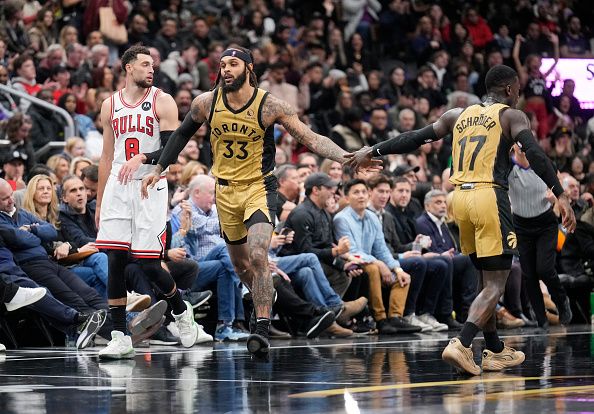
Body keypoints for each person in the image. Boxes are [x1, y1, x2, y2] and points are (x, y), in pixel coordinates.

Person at [141, 46, 380, 359]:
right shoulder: (206, 103)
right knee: (242, 266)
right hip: (224, 191)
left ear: (248, 68)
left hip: (259, 186)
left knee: (257, 254)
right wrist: (159, 169)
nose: (226, 69)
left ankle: (262, 328)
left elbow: (311, 139)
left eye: (234, 64)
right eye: (223, 64)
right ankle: (265, 301)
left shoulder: (269, 105)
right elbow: (180, 137)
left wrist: (346, 157)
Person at [346, 64, 576, 375]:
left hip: (460, 200)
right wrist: (560, 193)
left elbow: (416, 137)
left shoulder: (458, 115)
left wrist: (373, 150)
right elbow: (534, 152)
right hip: (489, 196)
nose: (519, 94)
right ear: (509, 90)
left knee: (484, 279)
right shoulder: (511, 116)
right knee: (497, 281)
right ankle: (462, 343)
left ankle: (494, 349)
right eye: (518, 89)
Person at [95, 46, 206, 360]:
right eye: (145, 64)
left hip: (150, 183)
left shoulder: (162, 100)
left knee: (147, 263)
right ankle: (119, 336)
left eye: (153, 65)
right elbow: (105, 157)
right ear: (128, 67)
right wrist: (101, 201)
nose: (151, 69)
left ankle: (182, 315)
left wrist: (144, 157)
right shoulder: (110, 105)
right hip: (118, 185)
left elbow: (173, 148)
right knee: (114, 259)